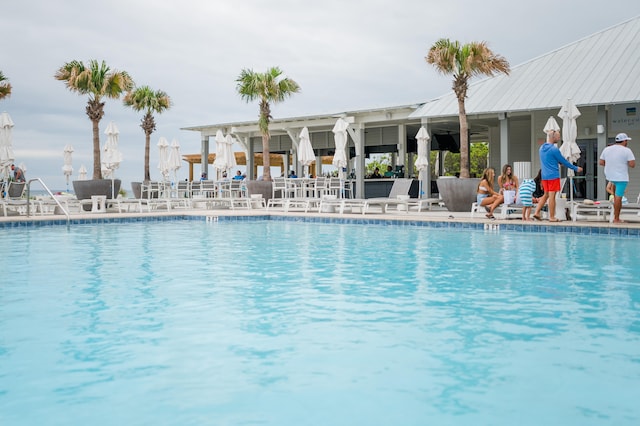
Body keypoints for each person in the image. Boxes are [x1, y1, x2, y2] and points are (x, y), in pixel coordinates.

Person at [533, 130, 582, 222]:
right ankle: (552, 217)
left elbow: (550, 160)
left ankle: (536, 212)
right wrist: (575, 168)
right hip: (553, 176)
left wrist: (557, 161)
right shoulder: (554, 149)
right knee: (552, 196)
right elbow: (564, 161)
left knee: (546, 195)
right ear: (553, 137)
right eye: (558, 137)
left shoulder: (541, 148)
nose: (559, 138)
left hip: (544, 176)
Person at [599, 133, 635, 223]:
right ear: (624, 141)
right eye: (626, 141)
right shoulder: (627, 150)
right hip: (621, 177)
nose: (627, 142)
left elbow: (601, 162)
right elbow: (632, 164)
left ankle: (615, 216)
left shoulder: (607, 149)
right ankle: (616, 218)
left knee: (615, 197)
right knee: (618, 197)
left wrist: (612, 164)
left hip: (610, 176)